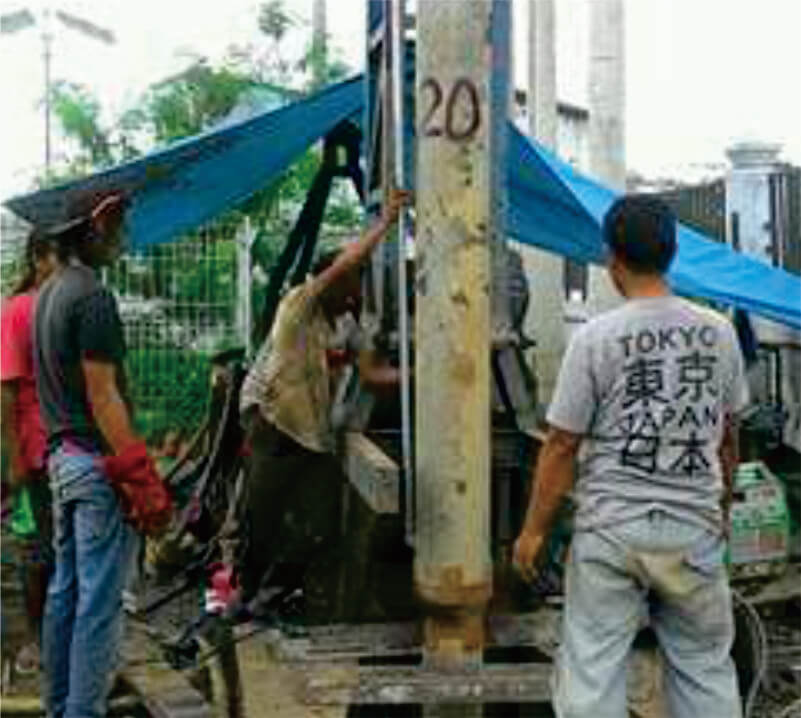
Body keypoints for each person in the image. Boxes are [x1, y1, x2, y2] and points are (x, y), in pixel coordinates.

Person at [513, 194, 748, 718]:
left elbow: (562, 444)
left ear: (611, 259)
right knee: (704, 669)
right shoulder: (719, 332)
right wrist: (721, 507)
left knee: (593, 674)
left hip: (612, 533)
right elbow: (728, 436)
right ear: (672, 253)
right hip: (693, 532)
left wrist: (533, 533)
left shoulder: (595, 339)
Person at [224, 189, 408, 618]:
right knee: (260, 514)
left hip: (311, 430)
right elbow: (344, 263)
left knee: (321, 521)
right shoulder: (300, 303)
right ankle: (244, 596)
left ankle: (271, 594)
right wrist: (384, 224)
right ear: (330, 280)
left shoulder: (346, 324)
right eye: (351, 279)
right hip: (271, 419)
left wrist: (423, 375)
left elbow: (372, 374)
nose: (356, 288)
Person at [34, 193, 165, 718]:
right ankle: (83, 711)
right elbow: (104, 394)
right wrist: (141, 474)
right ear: (95, 228)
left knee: (66, 592)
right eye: (117, 226)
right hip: (93, 464)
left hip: (62, 460)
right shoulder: (92, 297)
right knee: (99, 601)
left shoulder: (48, 293)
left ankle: (60, 706)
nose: (122, 237)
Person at [1, 229, 58, 676]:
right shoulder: (19, 311)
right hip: (37, 446)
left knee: (64, 544)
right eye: (56, 256)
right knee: (38, 545)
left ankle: (58, 633)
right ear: (38, 259)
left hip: (71, 445)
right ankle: (36, 638)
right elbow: (6, 390)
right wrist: (15, 456)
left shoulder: (67, 305)